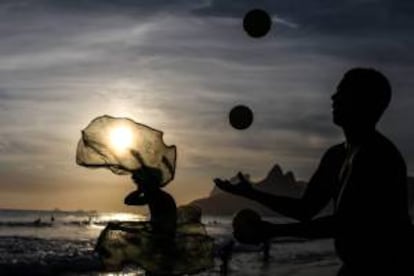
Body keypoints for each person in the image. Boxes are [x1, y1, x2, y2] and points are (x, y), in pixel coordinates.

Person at [214, 68, 413, 275]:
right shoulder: (335, 156)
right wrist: (251, 193)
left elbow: (344, 224)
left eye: (343, 91)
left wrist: (272, 230)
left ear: (365, 101)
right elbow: (305, 209)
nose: (334, 97)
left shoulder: (378, 156)